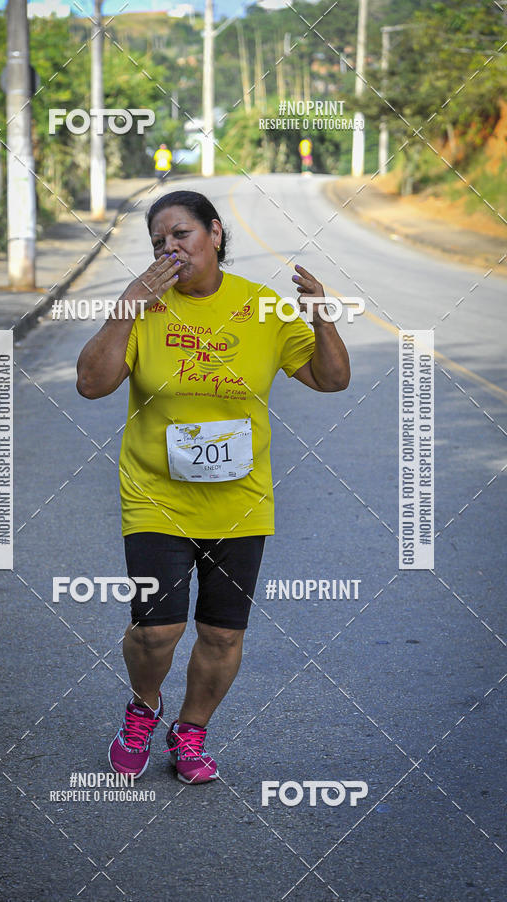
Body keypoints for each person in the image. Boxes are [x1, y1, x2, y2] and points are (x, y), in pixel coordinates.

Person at [76, 190, 350, 784]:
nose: (169, 249)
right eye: (157, 243)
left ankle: (192, 731)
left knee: (222, 633)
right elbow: (91, 384)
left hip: (239, 502)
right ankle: (143, 709)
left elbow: (331, 380)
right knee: (158, 630)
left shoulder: (261, 308)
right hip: (156, 496)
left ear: (215, 234)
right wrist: (127, 304)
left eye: (180, 235)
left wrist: (321, 315)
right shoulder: (145, 311)